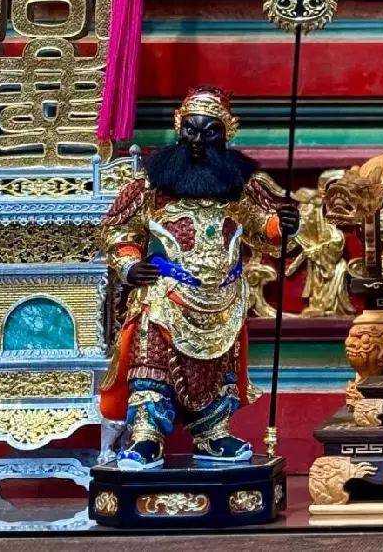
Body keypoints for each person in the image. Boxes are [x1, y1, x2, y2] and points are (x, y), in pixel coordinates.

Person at [98, 86, 299, 470]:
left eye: (209, 132)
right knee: (152, 365)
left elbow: (262, 228)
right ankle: (146, 436)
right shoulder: (151, 186)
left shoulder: (241, 186)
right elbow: (119, 232)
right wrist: (130, 265)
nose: (197, 140)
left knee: (218, 371)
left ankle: (213, 433)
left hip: (223, 297)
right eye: (190, 130)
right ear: (179, 127)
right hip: (165, 296)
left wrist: (282, 224)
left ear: (227, 133)